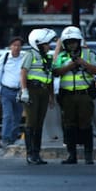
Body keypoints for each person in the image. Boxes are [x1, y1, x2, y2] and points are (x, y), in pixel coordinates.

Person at [53, 26, 96, 164]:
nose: (71, 45)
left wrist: (83, 63)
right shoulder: (62, 56)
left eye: (73, 42)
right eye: (68, 42)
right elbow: (56, 71)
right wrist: (70, 66)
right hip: (67, 96)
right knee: (69, 125)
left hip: (84, 95)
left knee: (86, 124)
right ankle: (71, 155)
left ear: (79, 41)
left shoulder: (88, 54)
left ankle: (88, 155)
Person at [19, 28, 57, 165]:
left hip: (44, 92)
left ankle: (37, 153)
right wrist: (24, 91)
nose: (49, 46)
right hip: (32, 90)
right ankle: (30, 154)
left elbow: (50, 77)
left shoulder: (47, 57)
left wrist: (51, 96)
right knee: (31, 123)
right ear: (38, 44)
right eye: (47, 43)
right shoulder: (30, 54)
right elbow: (23, 72)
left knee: (39, 124)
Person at [0, 36, 25, 147]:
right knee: (8, 115)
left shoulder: (24, 57)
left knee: (17, 116)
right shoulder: (4, 57)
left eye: (18, 45)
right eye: (14, 45)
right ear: (10, 46)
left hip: (19, 91)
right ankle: (5, 138)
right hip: (6, 91)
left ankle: (13, 138)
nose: (16, 48)